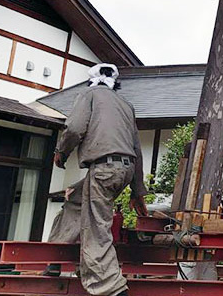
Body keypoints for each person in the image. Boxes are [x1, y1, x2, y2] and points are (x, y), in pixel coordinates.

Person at [45, 63, 148, 296]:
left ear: (91, 81)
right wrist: (137, 191)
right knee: (76, 200)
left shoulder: (89, 95)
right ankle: (54, 259)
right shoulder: (126, 105)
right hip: (124, 170)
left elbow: (74, 128)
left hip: (103, 168)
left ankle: (112, 288)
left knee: (95, 227)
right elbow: (136, 148)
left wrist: (61, 152)